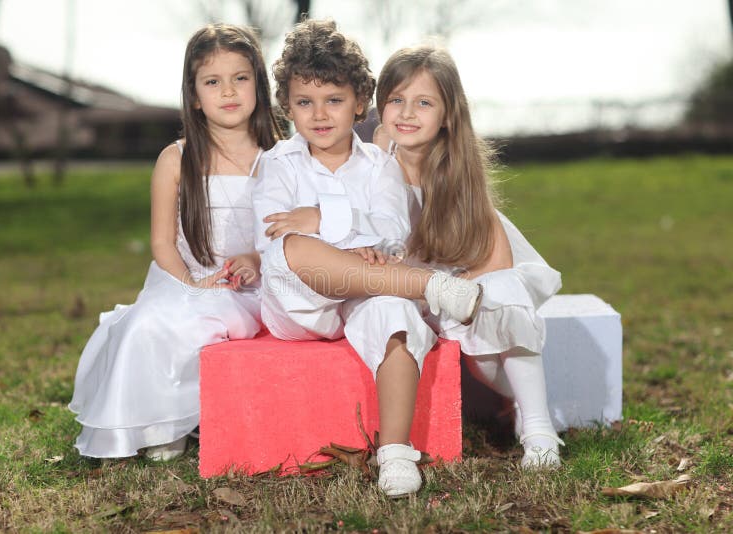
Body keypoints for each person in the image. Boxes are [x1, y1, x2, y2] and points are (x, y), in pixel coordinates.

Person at [268, 43, 565, 477]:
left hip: (462, 284)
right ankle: (522, 404)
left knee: (500, 311)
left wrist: (464, 302)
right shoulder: (373, 160)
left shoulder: (457, 171)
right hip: (401, 286)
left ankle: (538, 428)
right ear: (378, 105)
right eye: (396, 101)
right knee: (468, 349)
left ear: (447, 114)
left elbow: (496, 262)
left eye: (423, 103)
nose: (407, 113)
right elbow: (368, 244)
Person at [252, 19, 482, 498]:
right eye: (304, 102)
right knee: (290, 249)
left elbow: (393, 232)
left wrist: (321, 218)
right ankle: (431, 287)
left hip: (370, 290)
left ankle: (395, 453)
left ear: (360, 103)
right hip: (302, 303)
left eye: (333, 100)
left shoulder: (380, 165)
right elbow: (273, 232)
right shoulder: (276, 163)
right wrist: (340, 230)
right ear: (287, 107)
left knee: (393, 313)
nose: (319, 114)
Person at [68, 23, 280, 460]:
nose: (228, 91)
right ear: (194, 93)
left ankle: (191, 417)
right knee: (148, 326)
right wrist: (191, 284)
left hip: (253, 285)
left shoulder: (279, 158)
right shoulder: (176, 159)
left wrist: (257, 259)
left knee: (210, 321)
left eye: (240, 78)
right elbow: (163, 243)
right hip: (185, 278)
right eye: (212, 81)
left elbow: (290, 234)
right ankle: (161, 421)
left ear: (258, 83)